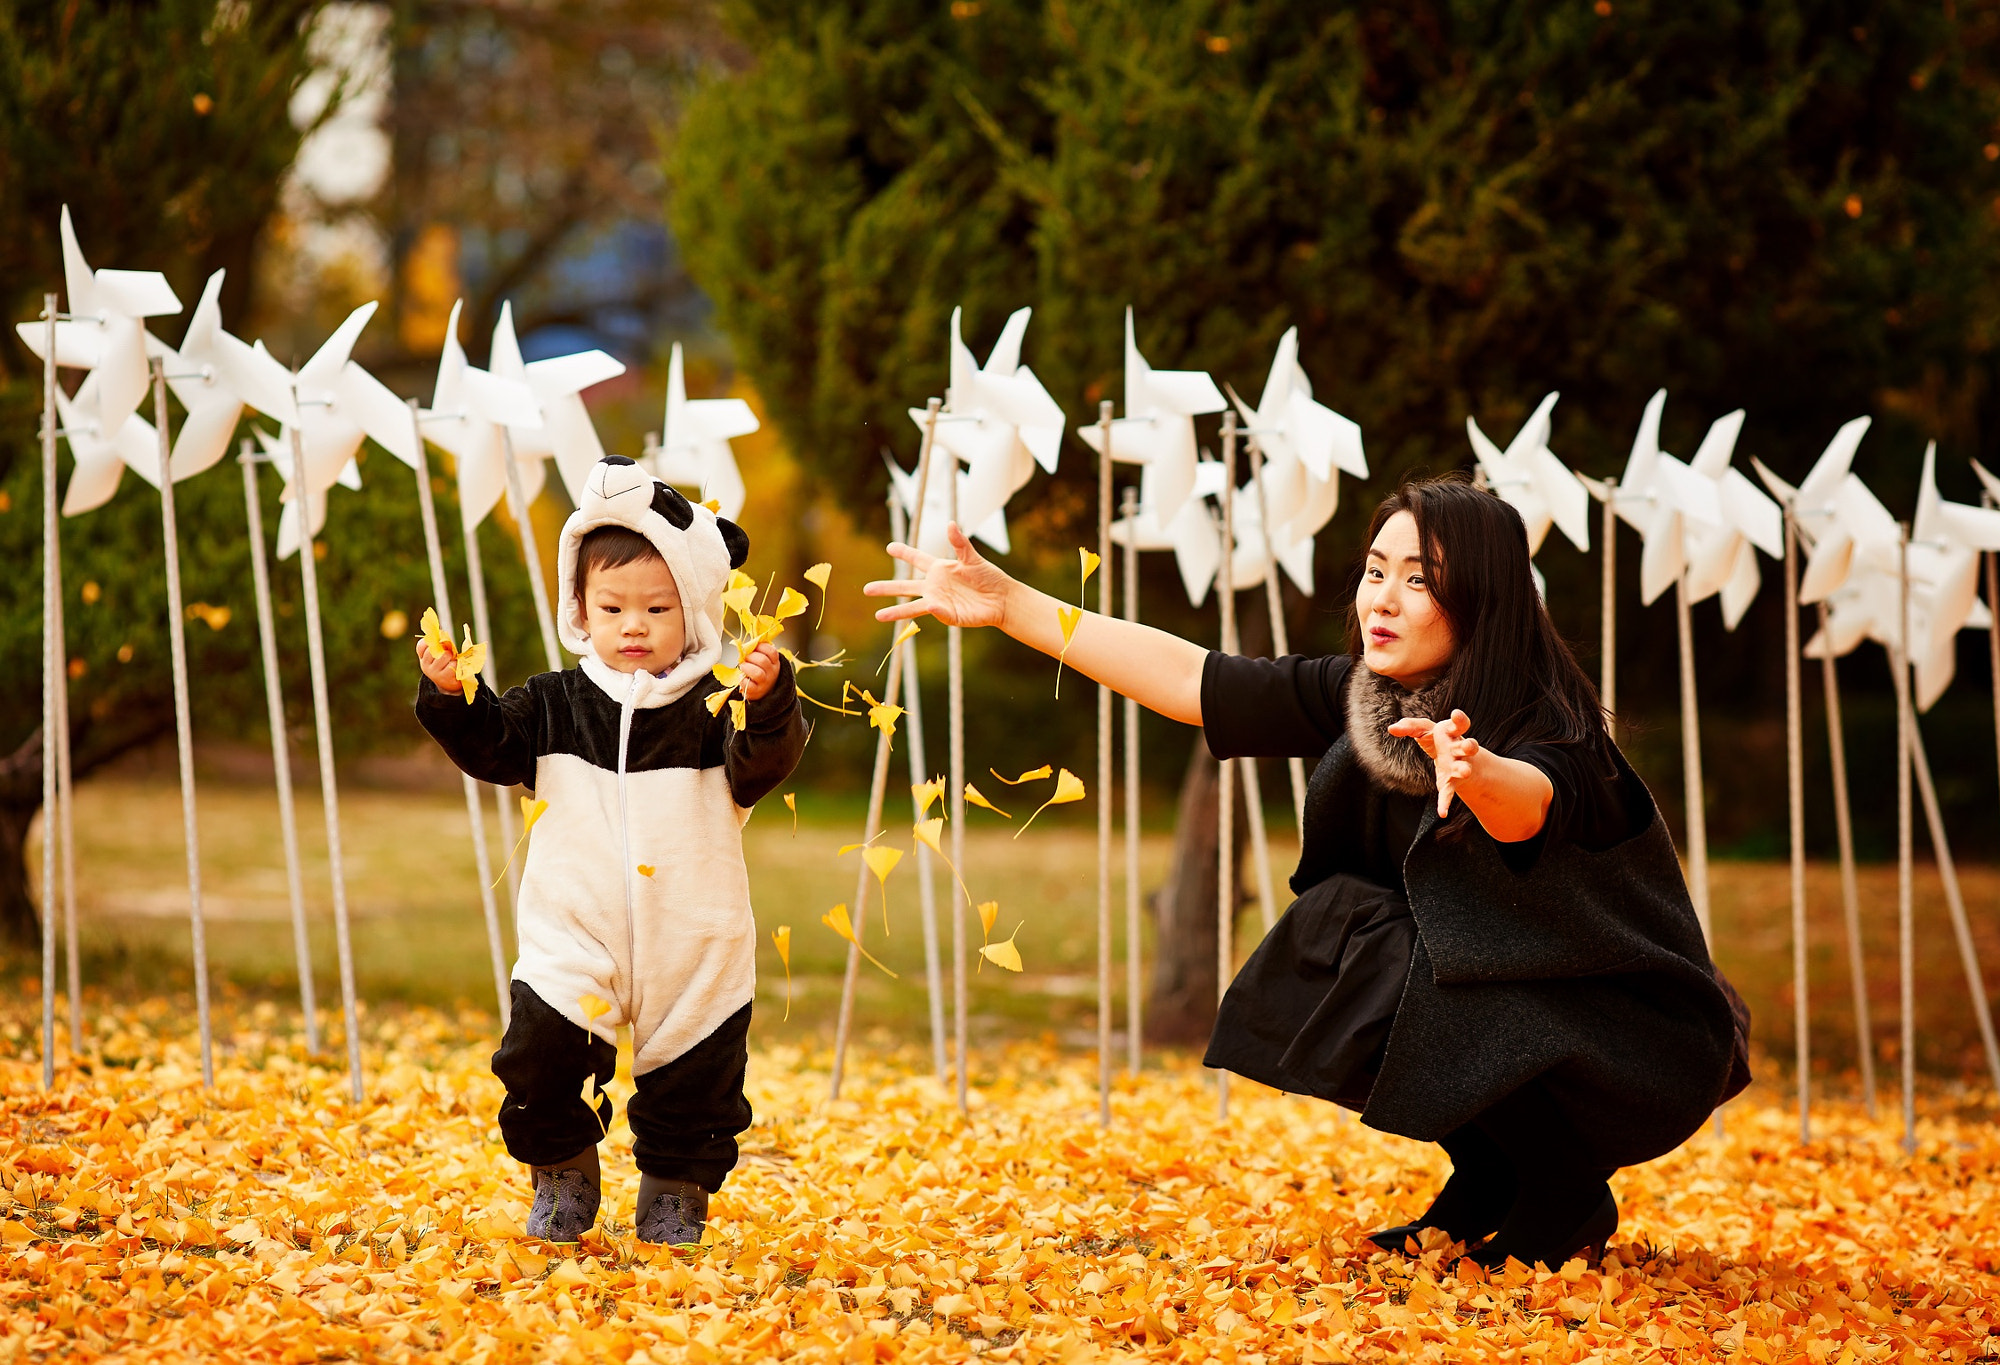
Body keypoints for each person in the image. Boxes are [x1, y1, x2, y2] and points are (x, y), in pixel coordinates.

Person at [866, 473, 1745, 1270]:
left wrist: (1475, 773)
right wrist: (1011, 602)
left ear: (1483, 600)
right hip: (1518, 1000)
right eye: (1375, 570)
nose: (1383, 599)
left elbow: (1531, 799)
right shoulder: (1368, 693)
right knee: (1349, 923)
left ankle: (1562, 1195)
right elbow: (1189, 678)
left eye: (1420, 579)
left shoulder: (1552, 729)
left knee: (1403, 950)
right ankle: (1487, 1178)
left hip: (1637, 1036)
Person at [416, 456, 807, 1246]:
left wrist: (767, 704)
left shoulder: (712, 708)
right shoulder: (554, 703)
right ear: (581, 610)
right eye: (613, 606)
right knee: (539, 1057)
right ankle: (562, 1170)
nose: (634, 626)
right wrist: (455, 698)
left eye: (658, 608)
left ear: (693, 613)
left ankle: (675, 1189)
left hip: (691, 931)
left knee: (697, 1074)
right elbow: (493, 747)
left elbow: (763, 763)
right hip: (576, 923)